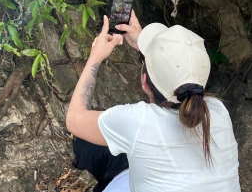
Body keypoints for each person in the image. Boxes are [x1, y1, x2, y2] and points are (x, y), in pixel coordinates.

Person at [66, 10, 240, 191]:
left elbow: (74, 119)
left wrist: (95, 56)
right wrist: (148, 46)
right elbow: (180, 74)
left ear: (144, 81)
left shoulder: (139, 121)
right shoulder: (218, 112)